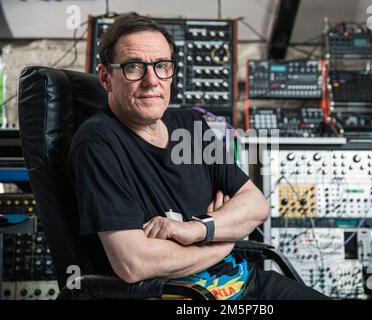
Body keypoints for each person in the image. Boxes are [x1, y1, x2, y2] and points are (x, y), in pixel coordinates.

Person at [69, 13, 327, 300]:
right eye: (134, 67)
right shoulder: (97, 142)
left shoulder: (190, 125)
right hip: (185, 296)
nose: (151, 80)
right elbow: (134, 263)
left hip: (247, 282)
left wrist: (197, 229)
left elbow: (255, 206)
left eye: (161, 66)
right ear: (106, 77)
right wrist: (224, 238)